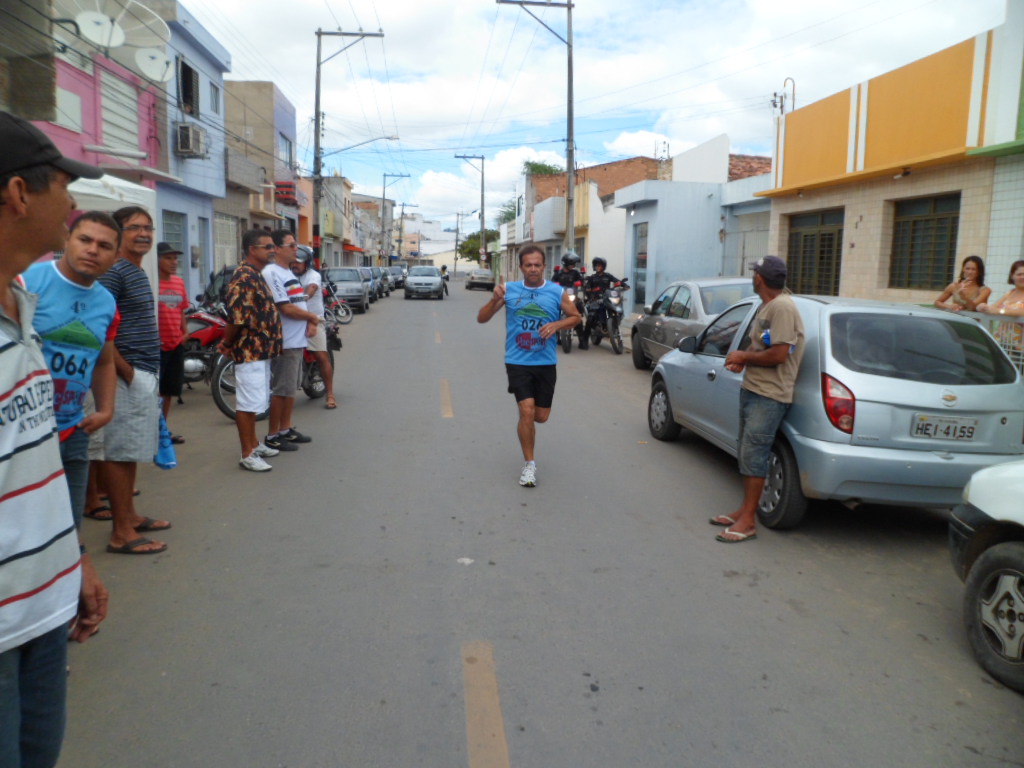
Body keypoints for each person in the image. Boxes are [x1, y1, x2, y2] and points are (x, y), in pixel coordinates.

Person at [0, 109, 107, 768]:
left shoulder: (22, 301)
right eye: (63, 186)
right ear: (18, 193)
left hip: (44, 611)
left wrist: (73, 562)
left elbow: (32, 463)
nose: (70, 204)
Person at [22, 212, 120, 536]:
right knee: (28, 529)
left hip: (74, 428)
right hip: (27, 430)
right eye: (85, 240)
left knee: (70, 527)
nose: (93, 250)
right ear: (67, 240)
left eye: (104, 245)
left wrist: (106, 410)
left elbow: (104, 362)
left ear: (115, 256)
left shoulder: (106, 303)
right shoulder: (26, 283)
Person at [709, 255, 805, 543]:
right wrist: (744, 361)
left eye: (754, 274)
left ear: (759, 279)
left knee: (755, 455)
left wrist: (743, 356)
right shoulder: (769, 306)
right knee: (747, 452)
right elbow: (764, 345)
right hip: (754, 389)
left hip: (769, 395)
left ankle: (748, 521)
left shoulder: (783, 307)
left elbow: (779, 354)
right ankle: (744, 510)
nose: (753, 277)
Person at [95, 206, 170, 554]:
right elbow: (98, 328)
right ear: (118, 233)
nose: (143, 233)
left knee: (131, 450)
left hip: (142, 371)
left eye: (148, 228)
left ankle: (130, 516)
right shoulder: (114, 272)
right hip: (125, 374)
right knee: (119, 451)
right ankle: (121, 533)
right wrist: (125, 372)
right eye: (134, 227)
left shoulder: (135, 270)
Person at [477, 243, 581, 487]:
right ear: (521, 267)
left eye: (537, 265)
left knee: (540, 417)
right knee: (526, 410)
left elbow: (576, 317)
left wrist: (557, 325)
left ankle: (528, 424)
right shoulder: (509, 290)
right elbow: (482, 318)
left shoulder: (556, 291)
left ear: (544, 266)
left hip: (546, 362)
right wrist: (494, 300)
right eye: (528, 265)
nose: (533, 269)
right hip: (517, 361)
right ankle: (529, 465)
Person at [220, 229, 283, 471]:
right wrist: (227, 344)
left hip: (261, 351)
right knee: (247, 404)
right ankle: (247, 453)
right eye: (267, 247)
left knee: (257, 401)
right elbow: (237, 318)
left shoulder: (256, 274)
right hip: (249, 351)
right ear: (252, 250)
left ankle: (255, 444)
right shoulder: (244, 277)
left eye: (273, 246)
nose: (272, 250)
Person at [263, 229, 320, 450]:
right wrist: (312, 317)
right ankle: (273, 435)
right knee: (281, 390)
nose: (296, 249)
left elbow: (297, 302)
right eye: (292, 245)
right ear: (277, 249)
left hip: (297, 341)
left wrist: (309, 321)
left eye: (296, 245)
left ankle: (285, 429)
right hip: (284, 341)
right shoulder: (272, 272)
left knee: (290, 389)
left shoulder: (288, 273)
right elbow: (285, 308)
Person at [291, 245, 337, 410]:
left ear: (307, 263)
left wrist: (303, 296)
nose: (295, 265)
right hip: (293, 319)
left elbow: (311, 289)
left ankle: (330, 394)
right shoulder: (287, 275)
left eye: (299, 262)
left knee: (321, 355)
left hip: (313, 319)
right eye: (293, 261)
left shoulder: (313, 276)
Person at [156, 242, 189, 442]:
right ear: (157, 260)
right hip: (158, 347)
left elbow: (181, 310)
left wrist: (185, 333)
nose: (173, 262)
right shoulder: (152, 283)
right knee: (156, 392)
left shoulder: (178, 282)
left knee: (168, 391)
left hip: (176, 344)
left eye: (175, 258)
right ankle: (153, 432)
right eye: (168, 258)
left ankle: (162, 431)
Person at [977, 259, 1024, 352]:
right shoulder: (1010, 293)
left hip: (1020, 348)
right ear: (1012, 276)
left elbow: (1021, 312)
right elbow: (993, 308)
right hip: (1003, 345)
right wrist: (983, 307)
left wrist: (1000, 311)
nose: (1023, 277)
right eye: (1019, 274)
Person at [582, 256, 626, 343]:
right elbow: (587, 288)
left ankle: (613, 324)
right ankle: (585, 339)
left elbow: (617, 281)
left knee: (617, 306)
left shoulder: (608, 276)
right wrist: (589, 292)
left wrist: (623, 284)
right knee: (591, 317)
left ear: (603, 266)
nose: (598, 267)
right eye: (596, 266)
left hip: (607, 299)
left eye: (600, 265)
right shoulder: (592, 278)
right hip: (595, 300)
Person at [555, 252, 587, 348]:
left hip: (572, 297)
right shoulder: (558, 273)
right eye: (572, 263)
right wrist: (554, 285)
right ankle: (557, 336)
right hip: (561, 298)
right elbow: (552, 282)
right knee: (554, 313)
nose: (573, 265)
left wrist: (580, 282)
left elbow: (582, 281)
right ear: (566, 263)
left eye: (574, 264)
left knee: (578, 315)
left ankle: (582, 340)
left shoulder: (575, 273)